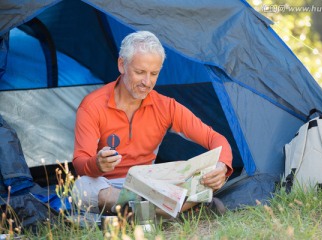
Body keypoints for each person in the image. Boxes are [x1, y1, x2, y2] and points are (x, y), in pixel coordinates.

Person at [72, 30, 233, 216]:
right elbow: (80, 163)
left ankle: (137, 213)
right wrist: (97, 164)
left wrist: (222, 166)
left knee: (201, 177)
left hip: (150, 185)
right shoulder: (92, 106)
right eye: (140, 72)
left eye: (154, 73)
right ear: (122, 65)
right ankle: (172, 210)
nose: (147, 82)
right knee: (81, 187)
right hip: (107, 185)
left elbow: (214, 138)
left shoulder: (166, 106)